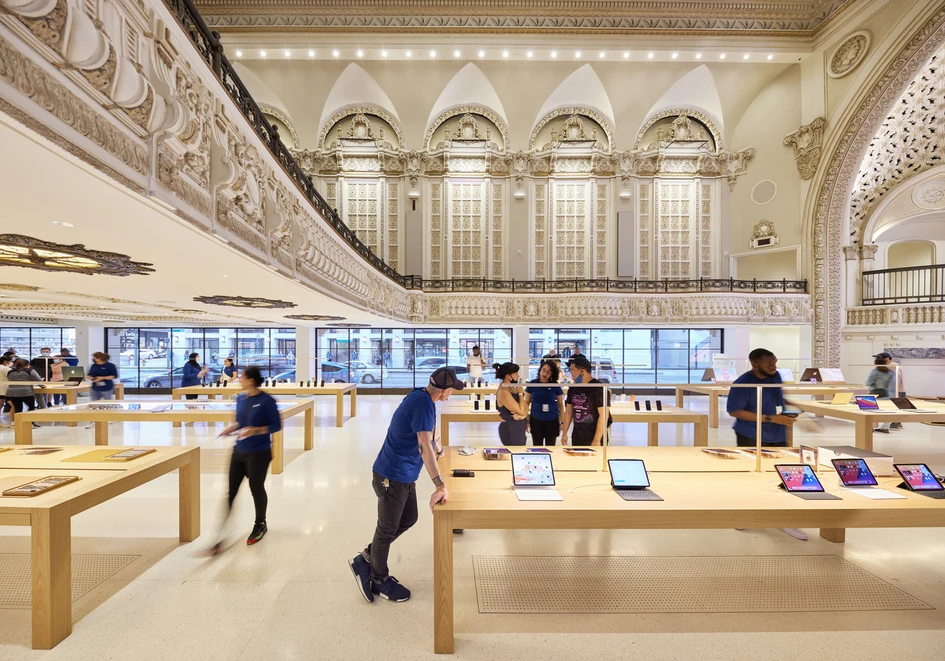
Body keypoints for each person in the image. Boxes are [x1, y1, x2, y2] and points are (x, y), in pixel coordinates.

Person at [348, 367, 463, 604]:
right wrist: (439, 484)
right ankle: (379, 579)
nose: (453, 392)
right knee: (387, 529)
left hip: (404, 475)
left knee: (409, 518)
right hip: (392, 476)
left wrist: (440, 450)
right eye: (452, 389)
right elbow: (423, 443)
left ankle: (367, 557)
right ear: (445, 390)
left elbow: (431, 432)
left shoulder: (423, 397)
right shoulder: (422, 403)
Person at [726, 348, 805, 541]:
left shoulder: (775, 376)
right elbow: (734, 411)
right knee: (751, 475)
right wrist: (770, 418)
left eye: (775, 362)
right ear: (754, 363)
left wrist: (794, 409)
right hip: (751, 434)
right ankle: (747, 514)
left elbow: (779, 397)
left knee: (781, 473)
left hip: (777, 433)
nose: (773, 367)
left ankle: (782, 518)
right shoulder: (742, 384)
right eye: (769, 363)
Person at [210, 366, 281, 552]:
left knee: (256, 488)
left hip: (259, 452)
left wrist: (256, 430)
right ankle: (219, 533)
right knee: (230, 491)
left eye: (242, 377)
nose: (239, 379)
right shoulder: (240, 399)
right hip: (239, 450)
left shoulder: (267, 401)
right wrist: (231, 428)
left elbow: (276, 425)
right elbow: (240, 422)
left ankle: (260, 523)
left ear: (251, 380)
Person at [562, 355, 610, 446]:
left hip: (595, 437)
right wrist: (564, 433)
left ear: (582, 371)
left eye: (572, 370)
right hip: (577, 436)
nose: (570, 372)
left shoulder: (599, 388)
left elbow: (604, 415)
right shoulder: (573, 388)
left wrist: (596, 440)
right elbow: (568, 411)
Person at [525, 360, 565, 446]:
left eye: (548, 372)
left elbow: (561, 405)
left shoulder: (555, 386)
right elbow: (526, 403)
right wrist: (526, 420)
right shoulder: (532, 384)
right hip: (536, 420)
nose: (545, 373)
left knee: (551, 447)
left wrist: (562, 422)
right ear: (539, 370)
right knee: (536, 447)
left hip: (552, 420)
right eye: (543, 370)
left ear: (552, 374)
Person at [493, 362, 528, 446]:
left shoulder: (512, 387)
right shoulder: (503, 391)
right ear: (508, 376)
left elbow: (526, 406)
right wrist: (520, 394)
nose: (518, 376)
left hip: (518, 426)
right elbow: (521, 410)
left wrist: (523, 416)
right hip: (511, 428)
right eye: (516, 374)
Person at [6, 358, 42, 429]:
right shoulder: (30, 370)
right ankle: (30, 423)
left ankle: (17, 423)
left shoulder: (10, 371)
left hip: (12, 392)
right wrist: (42, 386)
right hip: (26, 392)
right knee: (31, 407)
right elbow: (38, 380)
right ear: (28, 365)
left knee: (17, 408)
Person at [866, 356, 896, 434]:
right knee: (889, 412)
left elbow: (868, 383)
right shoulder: (891, 372)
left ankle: (869, 427)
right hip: (886, 394)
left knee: (868, 411)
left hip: (874, 394)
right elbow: (893, 385)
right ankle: (885, 427)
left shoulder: (875, 371)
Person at [875, 352, 904, 429]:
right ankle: (896, 422)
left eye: (880, 358)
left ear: (887, 359)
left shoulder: (891, 366)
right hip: (899, 390)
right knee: (896, 406)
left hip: (894, 391)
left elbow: (893, 380)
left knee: (891, 407)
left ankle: (894, 422)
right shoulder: (895, 365)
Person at [0, 354, 12, 427]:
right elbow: (12, 377)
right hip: (4, 389)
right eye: (10, 361)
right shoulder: (6, 369)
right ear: (5, 362)